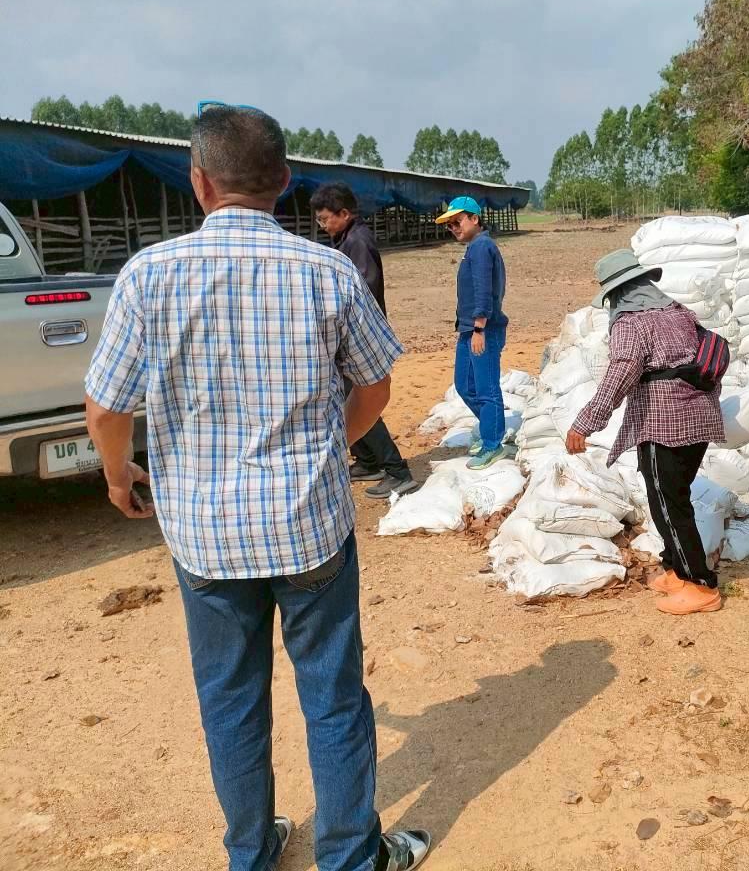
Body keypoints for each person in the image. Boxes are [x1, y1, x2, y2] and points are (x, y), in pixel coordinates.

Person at [84, 104, 430, 871]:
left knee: (231, 701)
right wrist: (326, 445)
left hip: (204, 538)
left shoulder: (150, 274)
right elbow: (375, 387)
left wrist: (118, 476)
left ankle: (251, 850)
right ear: (281, 181)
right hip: (308, 528)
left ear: (199, 182)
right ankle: (350, 856)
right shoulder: (327, 270)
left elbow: (106, 408)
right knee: (333, 699)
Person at [566, 249, 726, 615]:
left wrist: (585, 423)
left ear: (616, 293)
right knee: (674, 497)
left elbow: (619, 375)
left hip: (663, 424)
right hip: (699, 418)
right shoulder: (677, 312)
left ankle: (700, 585)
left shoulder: (630, 324)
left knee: (669, 505)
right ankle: (675, 568)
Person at [312, 181, 420, 499]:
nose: (322, 225)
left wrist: (345, 334)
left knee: (362, 402)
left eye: (325, 218)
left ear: (344, 213)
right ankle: (367, 460)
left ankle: (398, 471)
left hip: (357, 337)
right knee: (347, 398)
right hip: (349, 336)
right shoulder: (346, 239)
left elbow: (363, 292)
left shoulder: (358, 241)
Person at [438, 195, 508, 470]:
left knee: (487, 388)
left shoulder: (481, 247)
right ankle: (494, 429)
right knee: (464, 385)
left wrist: (479, 327)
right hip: (469, 329)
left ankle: (493, 445)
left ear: (474, 219)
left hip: (483, 330)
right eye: (449, 225)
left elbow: (483, 291)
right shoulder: (475, 247)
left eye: (457, 221)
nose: (454, 228)